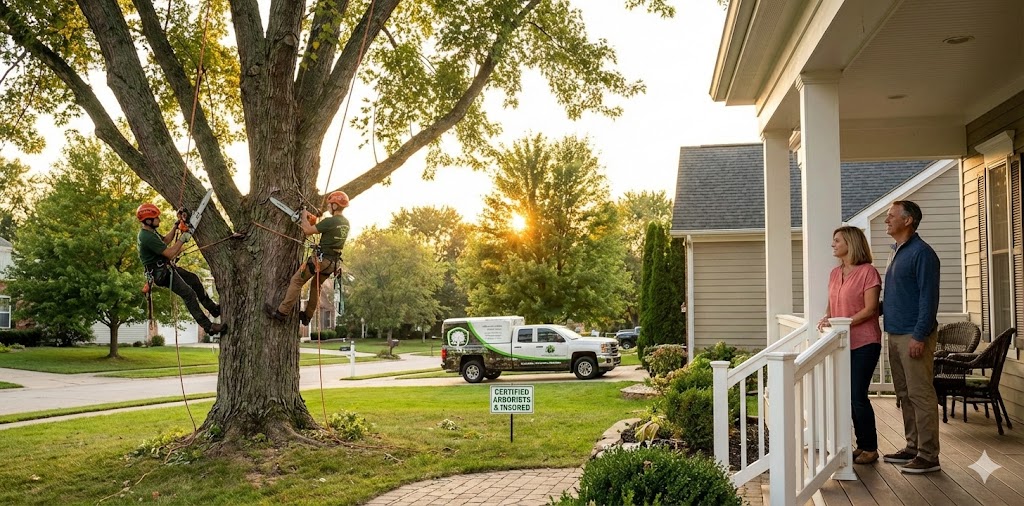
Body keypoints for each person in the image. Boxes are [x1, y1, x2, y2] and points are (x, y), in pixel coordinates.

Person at [880, 200, 941, 474]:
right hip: (894, 333)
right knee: (904, 394)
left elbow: (929, 299)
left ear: (908, 220)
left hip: (914, 335)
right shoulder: (896, 252)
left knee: (921, 394)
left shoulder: (922, 254)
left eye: (891, 216)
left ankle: (929, 456)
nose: (886, 220)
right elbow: (896, 296)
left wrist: (919, 335)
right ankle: (913, 447)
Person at [817, 226, 881, 465]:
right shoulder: (835, 273)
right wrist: (827, 317)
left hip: (865, 342)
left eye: (837, 241)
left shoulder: (868, 272)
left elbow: (870, 309)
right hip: (841, 343)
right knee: (847, 394)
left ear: (850, 244)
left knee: (857, 394)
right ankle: (861, 444)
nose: (833, 244)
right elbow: (833, 303)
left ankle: (870, 447)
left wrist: (843, 324)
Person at [136, 203, 226, 336]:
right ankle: (209, 327)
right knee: (188, 294)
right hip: (162, 274)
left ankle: (213, 309)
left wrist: (176, 225)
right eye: (156, 218)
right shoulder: (146, 237)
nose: (159, 220)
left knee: (194, 279)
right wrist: (183, 238)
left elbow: (166, 240)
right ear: (148, 220)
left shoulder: (150, 232)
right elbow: (170, 253)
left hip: (164, 269)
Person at [264, 191, 350, 326]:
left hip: (320, 261)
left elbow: (307, 230)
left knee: (297, 281)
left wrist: (304, 214)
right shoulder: (345, 223)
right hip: (333, 263)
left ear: (334, 206)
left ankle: (281, 312)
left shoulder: (330, 221)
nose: (328, 207)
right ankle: (307, 316)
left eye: (330, 205)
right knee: (316, 286)